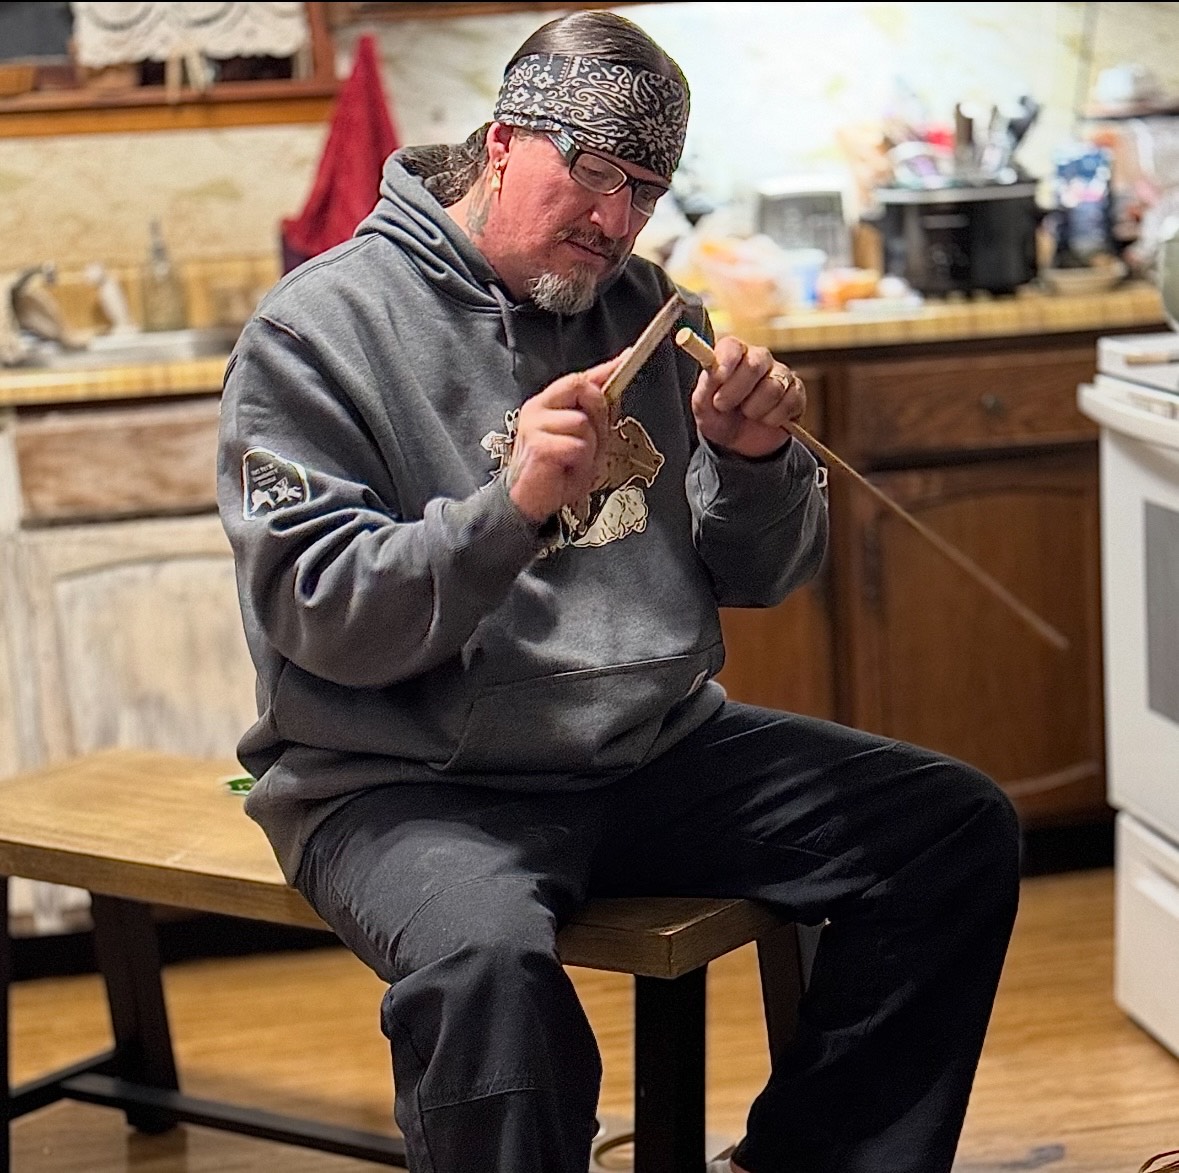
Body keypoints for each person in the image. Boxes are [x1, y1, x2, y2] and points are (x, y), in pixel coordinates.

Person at [216, 11, 1021, 1173]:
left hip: (649, 753)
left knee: (953, 829)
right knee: (487, 975)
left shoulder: (649, 310)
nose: (616, 219)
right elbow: (320, 615)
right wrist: (511, 509)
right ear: (501, 143)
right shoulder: (315, 334)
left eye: (645, 189)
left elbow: (765, 575)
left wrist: (754, 464)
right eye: (592, 173)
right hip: (405, 780)